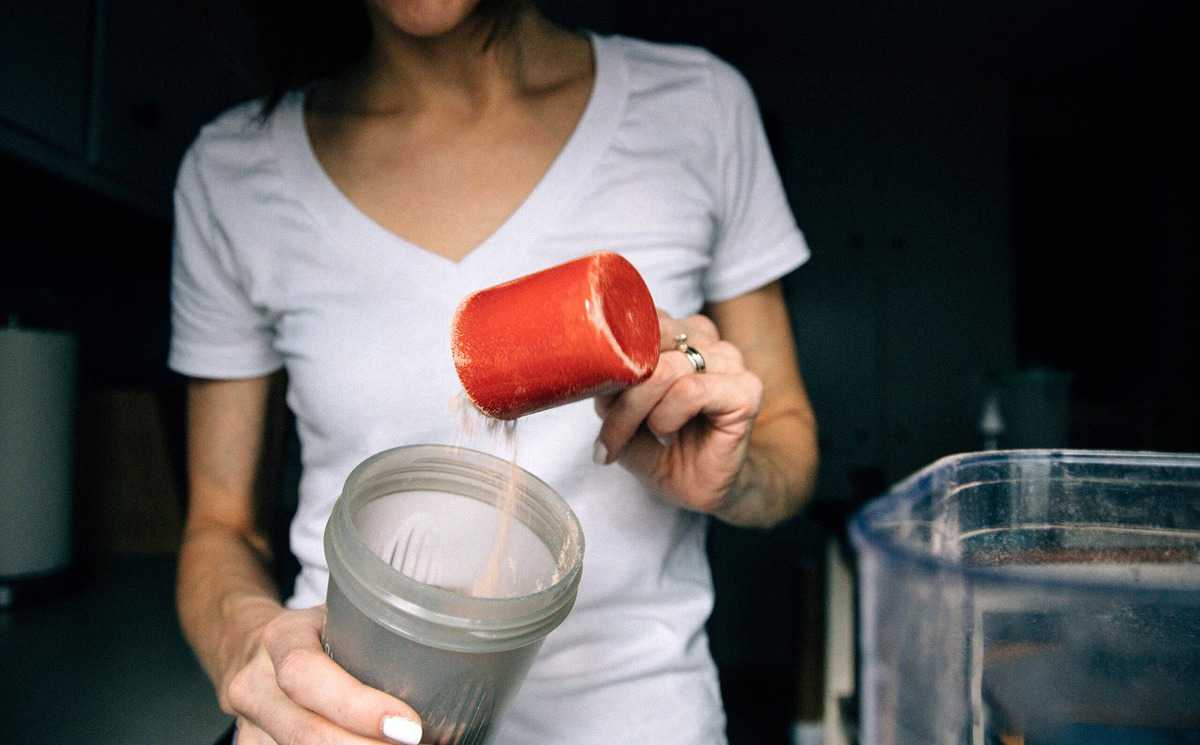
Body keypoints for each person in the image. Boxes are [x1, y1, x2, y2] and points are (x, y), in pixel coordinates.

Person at [169, 1, 819, 743]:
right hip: (348, 718)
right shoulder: (233, 173)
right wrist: (254, 646)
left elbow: (789, 447)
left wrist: (733, 474)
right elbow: (219, 527)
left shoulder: (698, 109)